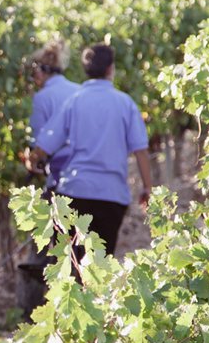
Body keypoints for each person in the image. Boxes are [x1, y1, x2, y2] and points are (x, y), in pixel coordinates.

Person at [28, 44, 153, 255]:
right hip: (111, 196)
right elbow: (140, 150)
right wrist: (148, 188)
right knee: (100, 265)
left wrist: (32, 160)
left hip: (75, 192)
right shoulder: (125, 103)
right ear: (110, 69)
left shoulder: (74, 102)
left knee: (71, 264)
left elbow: (45, 144)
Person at [26, 40, 80, 192]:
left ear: (39, 72)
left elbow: (38, 141)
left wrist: (32, 160)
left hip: (62, 171)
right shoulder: (80, 91)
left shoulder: (42, 98)